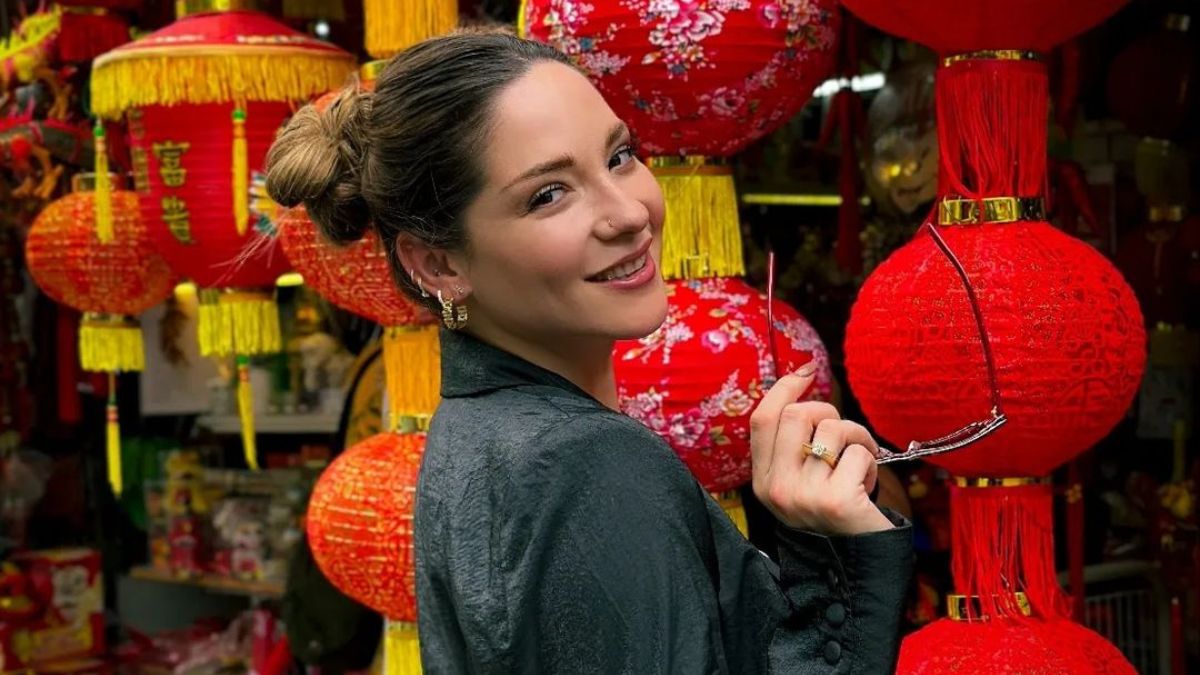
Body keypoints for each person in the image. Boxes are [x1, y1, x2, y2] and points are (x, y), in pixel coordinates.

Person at [266, 29, 914, 674]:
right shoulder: (588, 462)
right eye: (548, 194)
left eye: (620, 156)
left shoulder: (473, 431)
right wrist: (839, 563)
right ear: (439, 264)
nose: (628, 213)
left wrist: (817, 541)